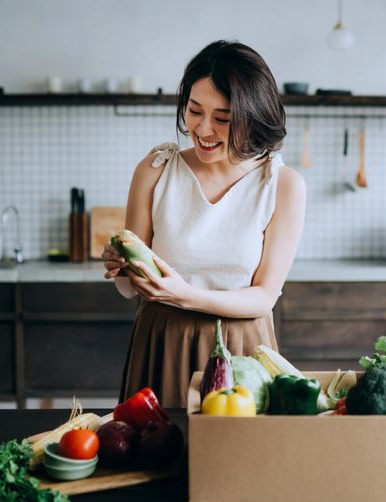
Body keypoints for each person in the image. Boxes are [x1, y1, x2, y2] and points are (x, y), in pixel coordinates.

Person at [102, 40, 306, 408]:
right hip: (163, 340)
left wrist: (187, 296)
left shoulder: (283, 185)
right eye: (194, 111)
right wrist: (121, 267)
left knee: (240, 460)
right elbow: (128, 288)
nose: (203, 129)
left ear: (253, 116)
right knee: (157, 455)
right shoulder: (155, 171)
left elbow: (264, 296)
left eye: (223, 118)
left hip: (242, 350)